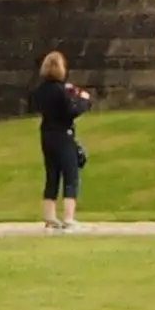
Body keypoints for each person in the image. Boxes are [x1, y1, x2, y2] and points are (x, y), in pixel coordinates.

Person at [30, 49, 97, 233]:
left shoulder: (41, 90)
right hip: (63, 135)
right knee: (71, 175)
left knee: (52, 176)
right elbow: (71, 111)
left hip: (47, 135)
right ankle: (68, 218)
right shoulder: (61, 90)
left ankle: (50, 218)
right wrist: (83, 101)